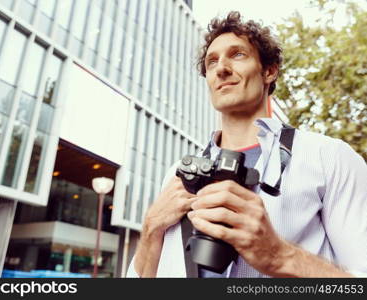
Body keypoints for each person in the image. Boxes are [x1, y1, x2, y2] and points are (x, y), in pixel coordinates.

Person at [126, 11, 367, 278]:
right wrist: (150, 228)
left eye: (237, 54)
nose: (221, 68)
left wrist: (279, 256)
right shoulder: (177, 175)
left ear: (269, 71)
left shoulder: (329, 157)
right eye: (212, 61)